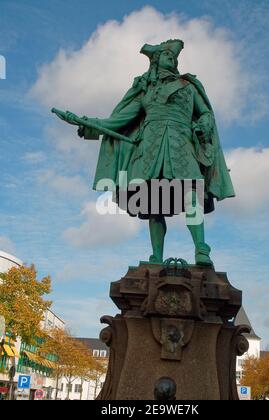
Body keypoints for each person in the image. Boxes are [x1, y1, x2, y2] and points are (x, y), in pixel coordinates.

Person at [59, 39, 235, 266]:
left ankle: (202, 250)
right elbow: (118, 121)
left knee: (192, 195)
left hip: (182, 146)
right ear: (156, 59)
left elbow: (206, 113)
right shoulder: (146, 90)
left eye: (174, 57)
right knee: (154, 204)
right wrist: (88, 122)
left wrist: (203, 124)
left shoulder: (189, 86)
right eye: (167, 56)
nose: (172, 59)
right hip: (150, 149)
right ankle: (157, 257)